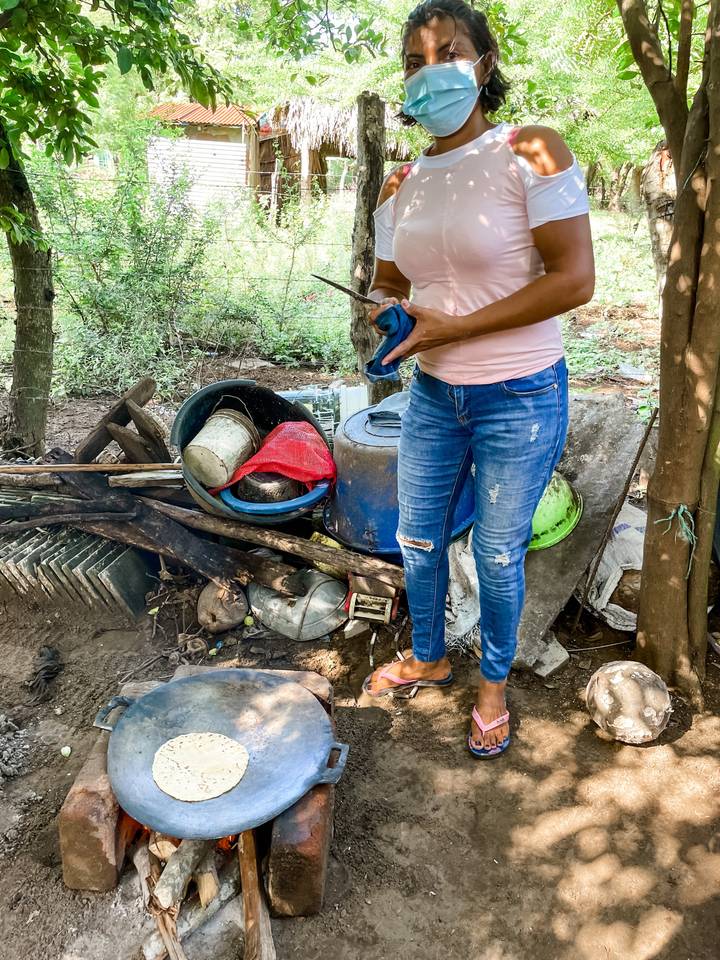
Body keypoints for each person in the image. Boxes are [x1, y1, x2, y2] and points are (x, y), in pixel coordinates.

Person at [362, 0, 595, 758]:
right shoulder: (402, 183)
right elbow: (389, 280)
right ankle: (430, 656)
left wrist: (456, 327)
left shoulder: (532, 148)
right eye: (415, 61)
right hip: (433, 393)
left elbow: (574, 279)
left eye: (449, 53)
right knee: (417, 538)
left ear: (483, 65)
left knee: (496, 553)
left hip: (520, 395)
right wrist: (387, 310)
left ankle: (493, 684)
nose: (430, 72)